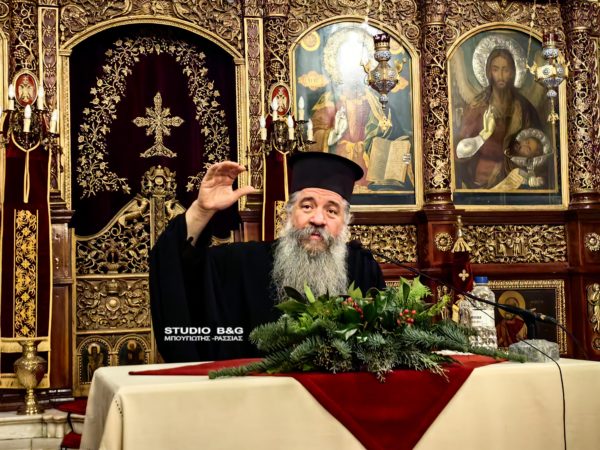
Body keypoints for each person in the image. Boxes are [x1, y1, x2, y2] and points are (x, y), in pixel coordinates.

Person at [150, 152, 385, 362]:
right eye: (307, 206)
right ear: (289, 213)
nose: (318, 219)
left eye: (332, 211)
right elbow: (180, 268)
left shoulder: (363, 270)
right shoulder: (244, 263)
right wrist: (202, 211)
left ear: (345, 222)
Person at [455, 47, 542, 189]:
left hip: (516, 176)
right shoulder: (477, 106)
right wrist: (482, 137)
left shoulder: (524, 107)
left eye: (505, 70)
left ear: (512, 72)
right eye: (496, 69)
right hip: (483, 177)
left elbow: (538, 144)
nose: (501, 76)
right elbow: (460, 150)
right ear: (489, 72)